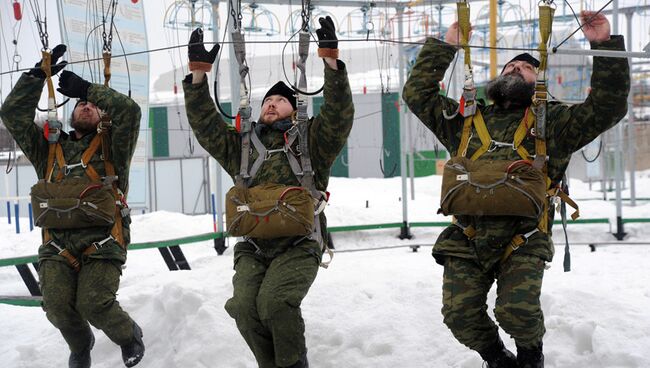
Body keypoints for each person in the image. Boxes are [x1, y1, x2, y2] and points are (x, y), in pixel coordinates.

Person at [402, 11, 629, 368]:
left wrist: (602, 44)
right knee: (459, 315)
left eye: (526, 68)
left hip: (524, 236)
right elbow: (416, 93)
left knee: (516, 311)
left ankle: (530, 354)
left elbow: (607, 107)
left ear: (540, 82)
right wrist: (446, 47)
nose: (515, 69)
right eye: (510, 66)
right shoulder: (464, 122)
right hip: (468, 235)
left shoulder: (553, 122)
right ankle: (496, 358)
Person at [182, 16, 353, 368]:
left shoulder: (312, 143)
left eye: (281, 100)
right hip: (254, 247)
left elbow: (339, 113)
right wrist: (199, 75)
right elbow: (204, 125)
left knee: (275, 304)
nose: (272, 104)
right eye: (268, 101)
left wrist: (331, 61)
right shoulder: (242, 148)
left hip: (300, 243)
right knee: (244, 309)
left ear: (297, 108)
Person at [0, 45, 145, 368]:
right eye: (81, 103)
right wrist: (38, 76)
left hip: (104, 239)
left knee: (94, 303)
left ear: (103, 115)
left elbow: (130, 113)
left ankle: (128, 335)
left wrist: (88, 89)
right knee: (56, 305)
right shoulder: (49, 150)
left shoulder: (113, 146)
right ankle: (81, 345)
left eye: (93, 105)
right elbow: (12, 114)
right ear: (71, 113)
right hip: (57, 242)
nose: (87, 106)